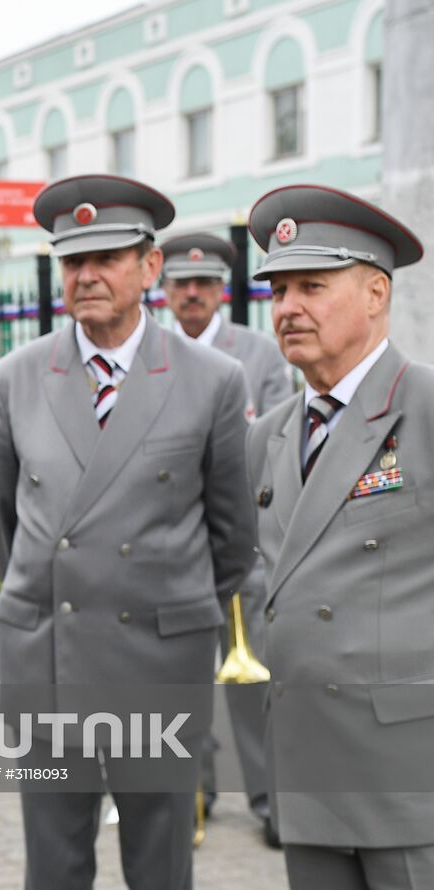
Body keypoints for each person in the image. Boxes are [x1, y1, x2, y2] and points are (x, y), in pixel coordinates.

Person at [0, 174, 256, 890]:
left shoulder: (213, 379)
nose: (87, 276)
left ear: (150, 266)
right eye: (73, 261)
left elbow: (232, 538)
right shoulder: (14, 378)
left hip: (159, 664)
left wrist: (163, 600)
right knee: (54, 868)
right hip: (49, 662)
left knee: (161, 866)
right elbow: (7, 528)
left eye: (106, 258)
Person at [244, 184, 433, 889]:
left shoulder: (426, 408)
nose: (288, 308)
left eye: (312, 286)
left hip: (408, 779)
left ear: (376, 293)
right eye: (278, 290)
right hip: (308, 770)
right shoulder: (269, 436)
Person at [161, 230, 292, 847]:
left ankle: (270, 802)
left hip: (243, 543)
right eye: (182, 284)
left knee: (254, 678)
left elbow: (276, 444)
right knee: (180, 681)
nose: (193, 293)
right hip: (172, 548)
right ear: (164, 289)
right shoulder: (147, 353)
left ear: (221, 289)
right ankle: (196, 795)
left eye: (205, 283)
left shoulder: (259, 354)